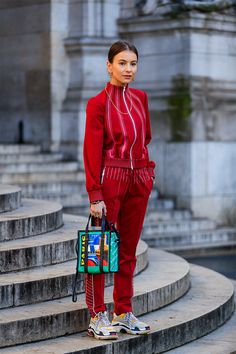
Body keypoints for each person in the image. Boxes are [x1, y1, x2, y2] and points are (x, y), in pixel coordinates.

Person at [83, 40, 156, 340]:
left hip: (139, 177)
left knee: (128, 250)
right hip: (110, 177)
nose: (128, 69)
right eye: (122, 63)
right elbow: (91, 151)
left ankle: (123, 311)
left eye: (133, 64)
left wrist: (147, 173)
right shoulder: (97, 103)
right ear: (109, 65)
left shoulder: (141, 98)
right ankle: (97, 314)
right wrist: (95, 194)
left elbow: (146, 136)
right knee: (100, 251)